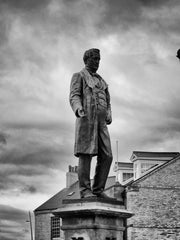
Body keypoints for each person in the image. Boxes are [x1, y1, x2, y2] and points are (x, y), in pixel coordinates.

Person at [69, 48, 113, 199]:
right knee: (85, 154)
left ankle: (98, 190)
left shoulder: (102, 81)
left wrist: (109, 113)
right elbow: (74, 95)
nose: (97, 62)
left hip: (101, 123)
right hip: (87, 120)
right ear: (87, 59)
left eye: (99, 59)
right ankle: (85, 190)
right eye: (95, 59)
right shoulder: (79, 76)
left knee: (107, 155)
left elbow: (108, 100)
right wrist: (78, 108)